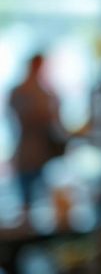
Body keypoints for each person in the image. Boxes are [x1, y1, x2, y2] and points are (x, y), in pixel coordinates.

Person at [8, 54, 63, 205]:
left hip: (39, 154)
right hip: (30, 153)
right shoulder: (36, 93)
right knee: (31, 201)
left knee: (37, 201)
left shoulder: (40, 92)